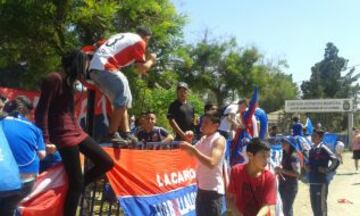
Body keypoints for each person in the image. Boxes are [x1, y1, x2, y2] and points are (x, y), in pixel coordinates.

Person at [35, 51, 114, 216]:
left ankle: (75, 187)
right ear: (77, 63)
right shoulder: (54, 78)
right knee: (76, 183)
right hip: (62, 134)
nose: (86, 67)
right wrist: (45, 139)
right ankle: (74, 191)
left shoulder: (70, 83)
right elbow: (42, 111)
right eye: (85, 63)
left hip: (77, 131)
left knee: (106, 162)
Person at [88, 26, 157, 144]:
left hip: (96, 69)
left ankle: (126, 133)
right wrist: (151, 60)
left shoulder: (123, 36)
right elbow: (141, 69)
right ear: (146, 38)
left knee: (124, 97)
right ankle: (111, 134)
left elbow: (99, 44)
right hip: (104, 67)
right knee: (123, 94)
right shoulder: (139, 41)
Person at [0, 96, 46, 216]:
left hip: (3, 179)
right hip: (25, 182)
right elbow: (42, 154)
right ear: (27, 112)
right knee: (9, 208)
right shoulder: (34, 129)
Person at [179, 110, 226, 216]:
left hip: (213, 192)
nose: (202, 125)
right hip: (202, 189)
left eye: (206, 122)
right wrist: (189, 141)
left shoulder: (219, 140)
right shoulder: (204, 138)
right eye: (202, 122)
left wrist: (192, 149)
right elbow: (191, 154)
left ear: (216, 125)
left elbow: (212, 163)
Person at [228, 138, 276, 216]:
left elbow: (267, 205)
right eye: (263, 156)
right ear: (250, 155)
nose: (266, 161)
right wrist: (236, 213)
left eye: (268, 156)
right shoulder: (236, 171)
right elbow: (231, 197)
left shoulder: (269, 177)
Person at [306, 130, 339, 216]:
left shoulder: (324, 148)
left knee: (321, 205)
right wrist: (307, 166)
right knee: (314, 205)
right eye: (312, 136)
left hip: (321, 182)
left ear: (320, 138)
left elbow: (335, 160)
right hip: (312, 181)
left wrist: (326, 169)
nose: (312, 138)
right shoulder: (311, 149)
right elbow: (310, 163)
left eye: (315, 136)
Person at [276, 137, 301, 216]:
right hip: (283, 185)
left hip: (290, 187)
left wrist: (282, 171)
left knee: (287, 209)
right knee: (285, 208)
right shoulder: (284, 154)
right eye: (282, 142)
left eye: (285, 142)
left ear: (290, 144)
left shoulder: (294, 156)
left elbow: (297, 173)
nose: (282, 144)